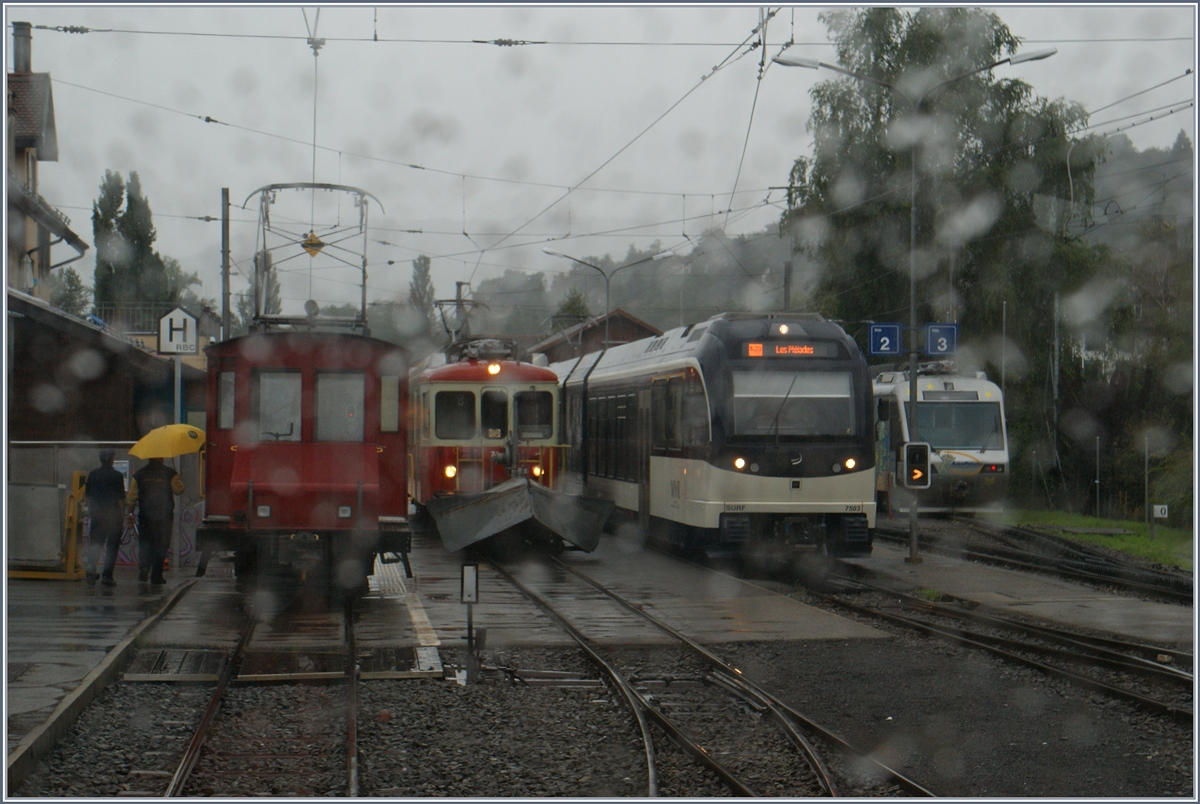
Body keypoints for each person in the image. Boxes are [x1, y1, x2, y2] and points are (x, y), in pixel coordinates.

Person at [127, 457, 184, 585]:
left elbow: (132, 497)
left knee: (145, 543)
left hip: (145, 515)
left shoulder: (139, 474)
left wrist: (130, 513)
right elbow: (179, 490)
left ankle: (144, 568)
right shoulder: (170, 473)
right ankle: (156, 575)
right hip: (164, 516)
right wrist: (177, 478)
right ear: (162, 458)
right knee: (161, 544)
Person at [84, 449, 126, 587]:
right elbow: (120, 498)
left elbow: (87, 496)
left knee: (95, 544)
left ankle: (90, 570)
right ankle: (107, 576)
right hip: (112, 517)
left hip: (97, 516)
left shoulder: (93, 474)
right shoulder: (117, 476)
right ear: (112, 459)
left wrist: (91, 512)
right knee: (112, 547)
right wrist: (122, 516)